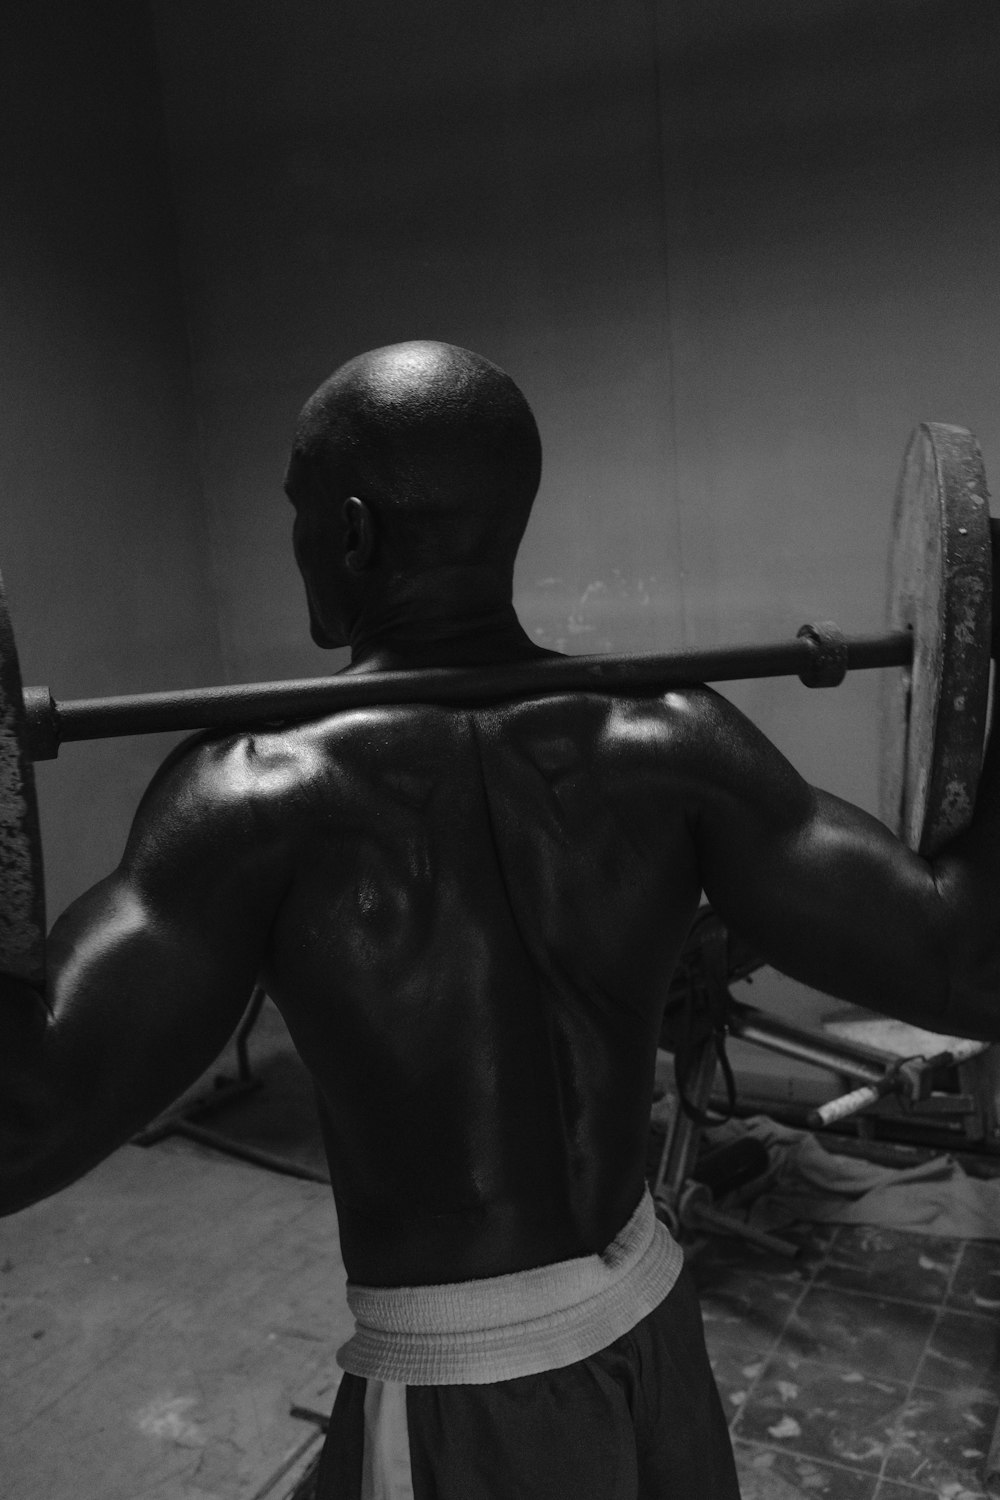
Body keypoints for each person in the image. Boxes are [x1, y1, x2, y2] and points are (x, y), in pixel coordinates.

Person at [2, 340, 999, 1498]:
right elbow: (967, 963)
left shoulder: (246, 799)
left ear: (354, 532)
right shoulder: (674, 738)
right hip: (645, 1316)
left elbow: (21, 1131)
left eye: (301, 512)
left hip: (466, 1399)